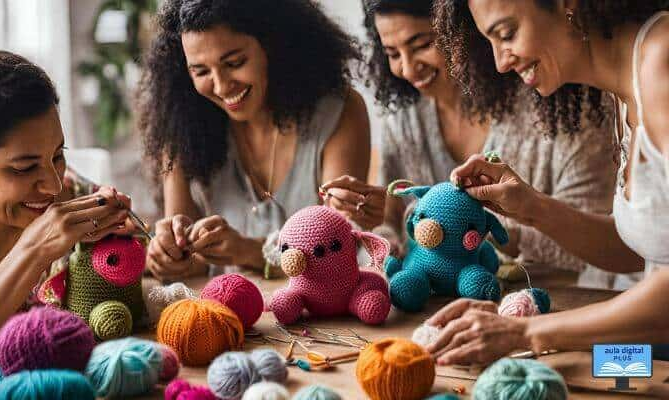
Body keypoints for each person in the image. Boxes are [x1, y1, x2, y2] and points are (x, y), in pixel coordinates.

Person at [423, 0, 669, 365]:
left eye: (506, 34)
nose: (500, 63)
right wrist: (531, 208)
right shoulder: (623, 88)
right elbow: (648, 250)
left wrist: (527, 333)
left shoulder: (662, 65)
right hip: (651, 349)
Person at [324, 0, 617, 280]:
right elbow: (393, 224)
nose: (409, 70)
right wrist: (373, 226)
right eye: (392, 54)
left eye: (423, 45)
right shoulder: (404, 119)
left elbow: (600, 249)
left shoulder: (562, 106)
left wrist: (477, 231)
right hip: (437, 304)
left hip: (562, 303)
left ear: (467, 32)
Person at [137, 0, 371, 280]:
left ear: (272, 44)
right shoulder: (181, 127)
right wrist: (169, 254)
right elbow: (190, 259)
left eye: (234, 63)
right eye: (201, 72)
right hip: (227, 314)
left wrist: (249, 251)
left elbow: (337, 248)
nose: (222, 86)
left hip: (319, 317)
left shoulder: (340, 112)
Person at [0, 50, 134, 362]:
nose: (53, 185)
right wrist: (33, 250)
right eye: (23, 168)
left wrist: (162, 249)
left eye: (58, 156)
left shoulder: (70, 195)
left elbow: (141, 246)